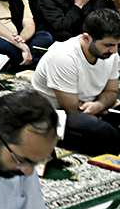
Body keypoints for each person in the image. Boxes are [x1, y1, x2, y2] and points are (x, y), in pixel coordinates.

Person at [31, 9, 120, 155]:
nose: (114, 50)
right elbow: (72, 109)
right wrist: (102, 105)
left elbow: (112, 91)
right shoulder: (63, 57)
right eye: (108, 45)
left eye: (117, 45)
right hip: (55, 115)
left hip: (91, 106)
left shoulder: (110, 54)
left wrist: (99, 105)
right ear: (86, 38)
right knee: (102, 131)